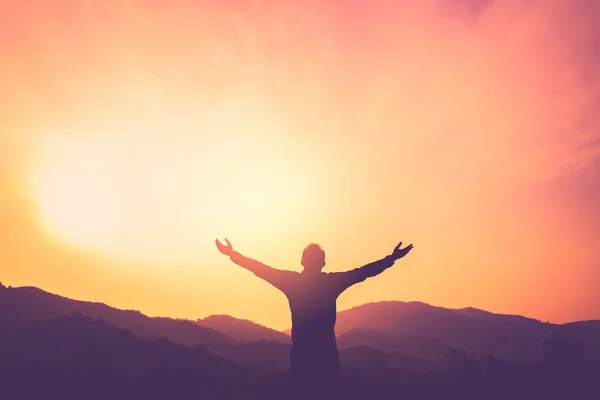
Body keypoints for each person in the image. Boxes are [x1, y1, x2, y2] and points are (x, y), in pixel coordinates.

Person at [215, 238, 414, 395]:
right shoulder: (330, 282)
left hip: (304, 353)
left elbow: (260, 269)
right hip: (325, 353)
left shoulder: (292, 282)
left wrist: (233, 255)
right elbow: (364, 272)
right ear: (323, 263)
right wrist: (391, 258)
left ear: (302, 262)